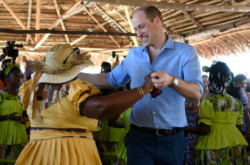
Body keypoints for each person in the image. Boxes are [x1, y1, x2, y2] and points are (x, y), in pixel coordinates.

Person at [77, 6, 203, 165]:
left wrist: (172, 80)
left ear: (157, 21)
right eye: (136, 28)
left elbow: (197, 92)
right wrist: (75, 76)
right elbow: (112, 80)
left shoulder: (185, 52)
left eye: (141, 26)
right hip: (139, 138)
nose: (138, 33)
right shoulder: (133, 54)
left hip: (172, 140)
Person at [15, 44, 154, 165]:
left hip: (38, 153)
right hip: (69, 153)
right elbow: (101, 108)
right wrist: (143, 89)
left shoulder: (32, 88)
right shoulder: (71, 88)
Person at [184, 62, 249, 164]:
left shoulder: (209, 102)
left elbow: (205, 129)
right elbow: (239, 128)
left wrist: (184, 128)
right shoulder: (236, 103)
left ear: (211, 80)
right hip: (235, 144)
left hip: (212, 145)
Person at [0, 63, 28, 165]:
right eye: (15, 76)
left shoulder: (22, 96)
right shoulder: (1, 94)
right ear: (7, 78)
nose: (18, 79)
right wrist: (8, 117)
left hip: (19, 133)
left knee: (18, 162)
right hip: (4, 133)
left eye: (20, 76)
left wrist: (25, 118)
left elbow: (26, 113)